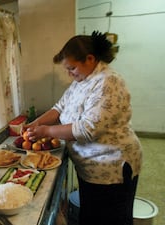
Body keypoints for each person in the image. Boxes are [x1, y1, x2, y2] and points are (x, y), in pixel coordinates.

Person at [23, 31, 142, 225]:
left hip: (111, 167)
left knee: (111, 219)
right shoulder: (82, 81)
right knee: (91, 216)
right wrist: (37, 123)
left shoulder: (107, 81)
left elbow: (87, 129)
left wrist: (46, 131)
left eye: (72, 68)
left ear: (90, 59)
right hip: (91, 166)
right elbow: (59, 107)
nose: (69, 74)